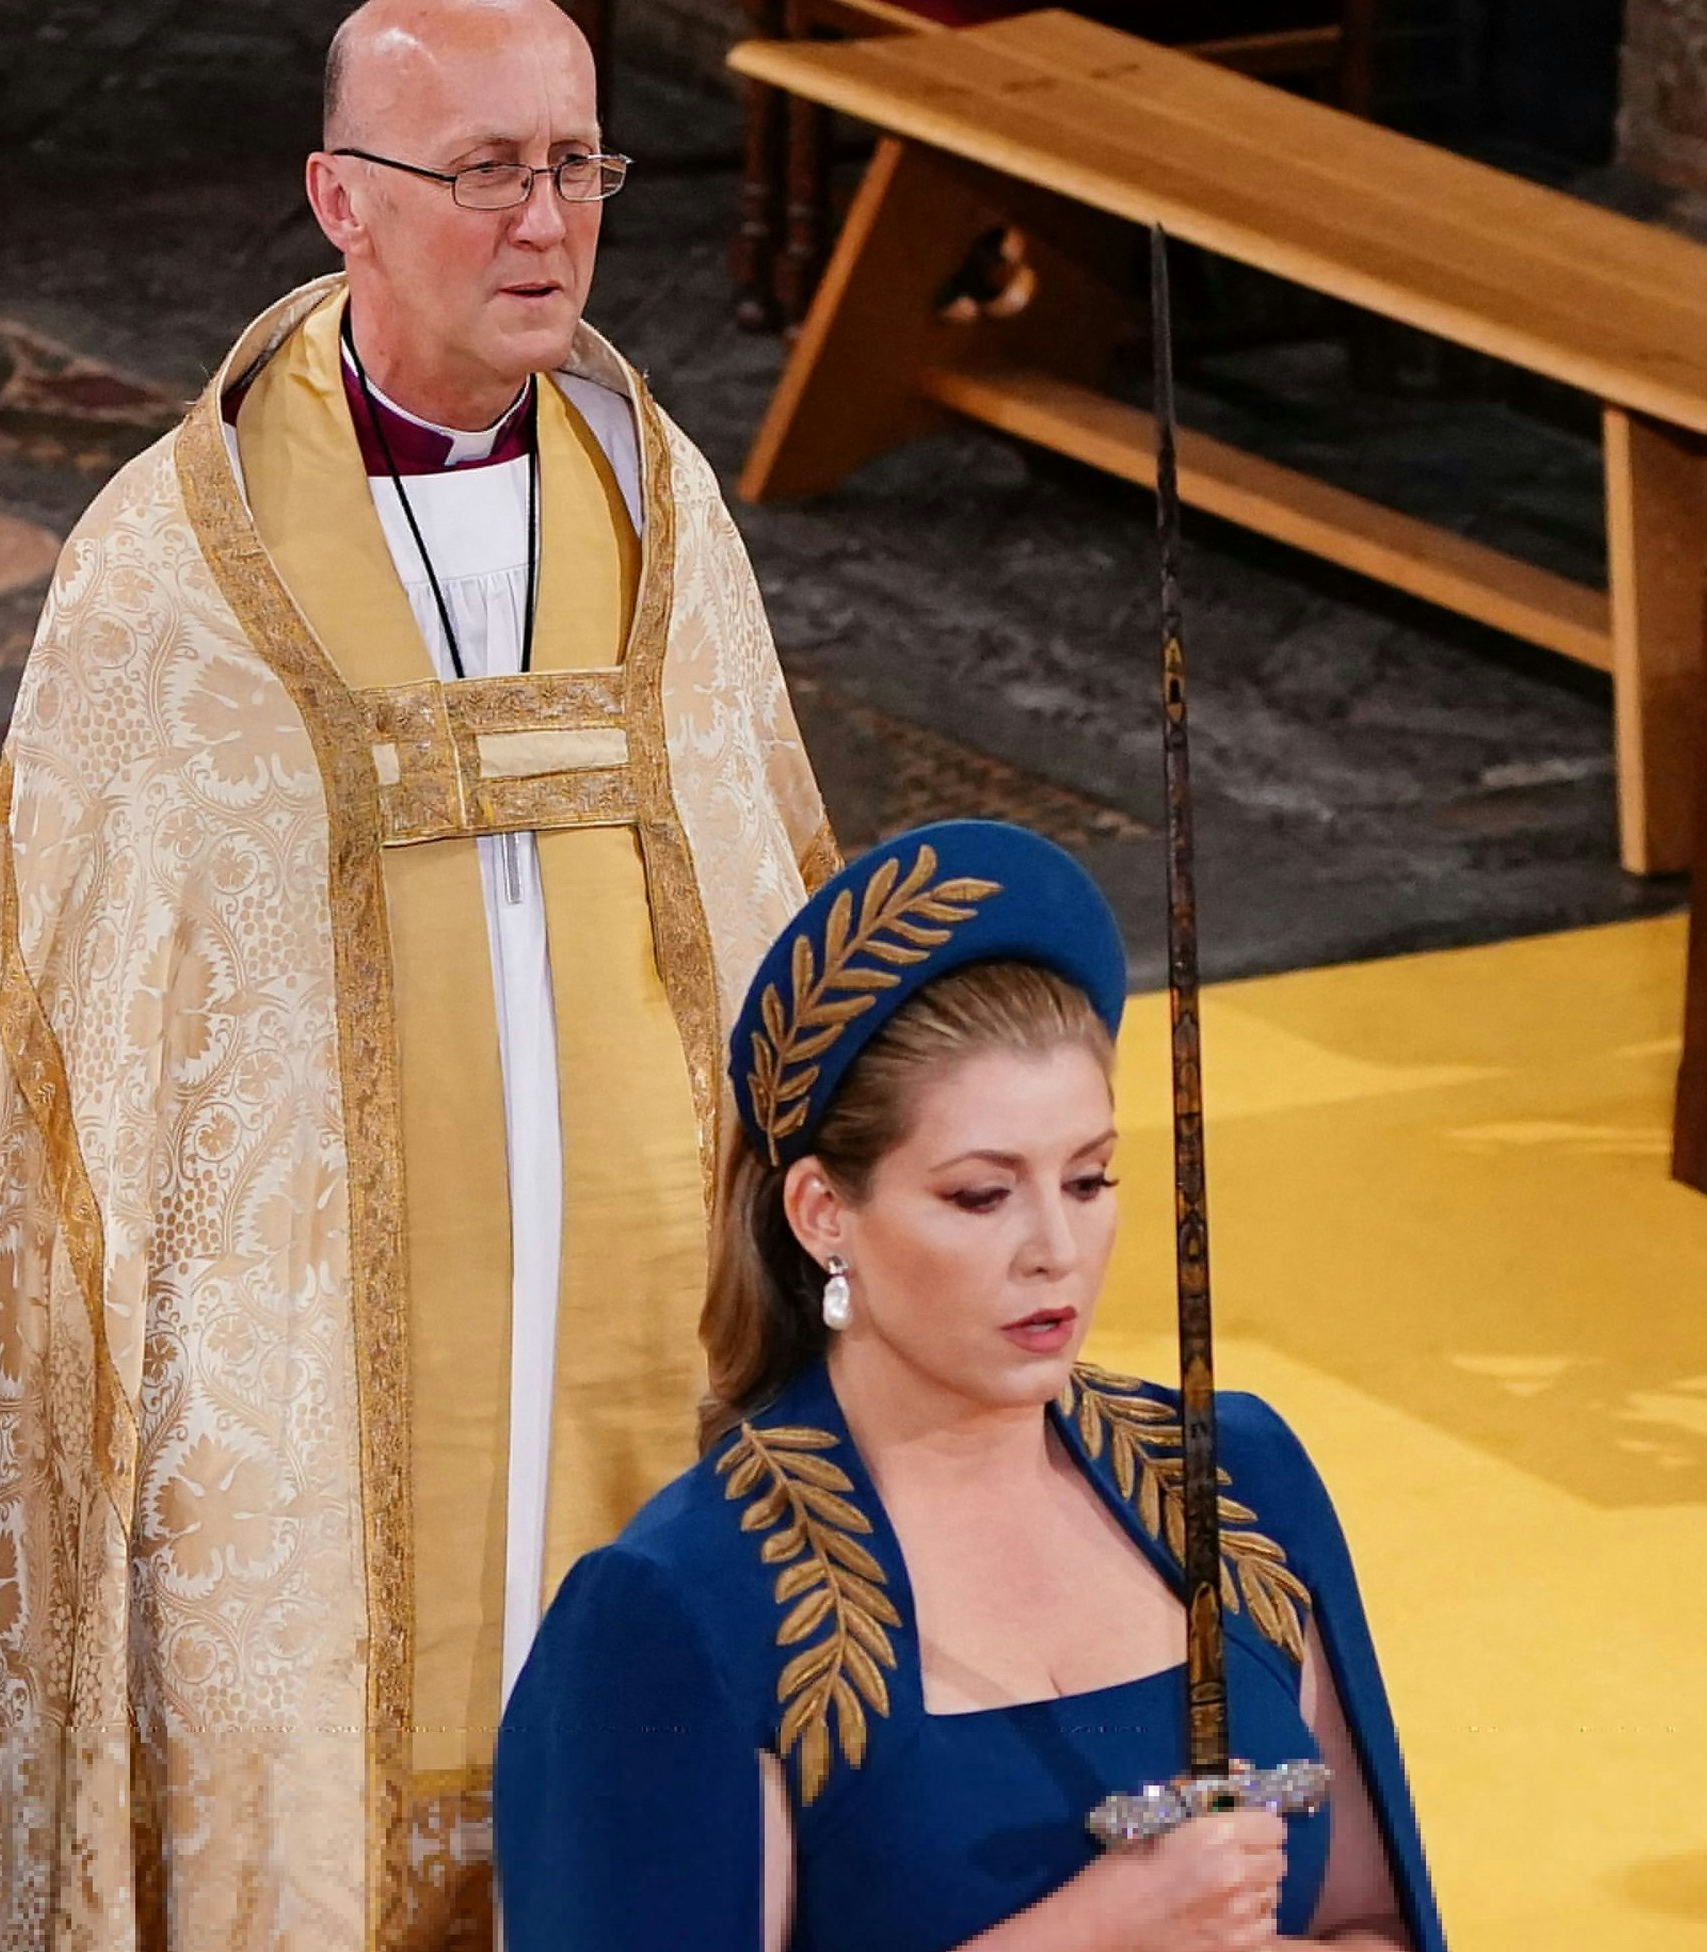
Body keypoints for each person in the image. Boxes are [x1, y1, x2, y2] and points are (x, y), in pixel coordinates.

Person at [0, 0, 837, 1947]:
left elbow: (763, 924)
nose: (544, 219)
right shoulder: (173, 564)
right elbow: (89, 1034)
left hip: (646, 1354)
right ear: (338, 197)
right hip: (295, 1398)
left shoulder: (665, 519)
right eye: (482, 169)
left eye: (574, 163)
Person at [490, 821, 1448, 1952]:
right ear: (821, 1213)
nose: (1056, 1248)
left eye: (1089, 1178)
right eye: (981, 1196)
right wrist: (1102, 1929)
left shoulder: (1232, 1476)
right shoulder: (679, 1609)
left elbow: (1372, 1922)